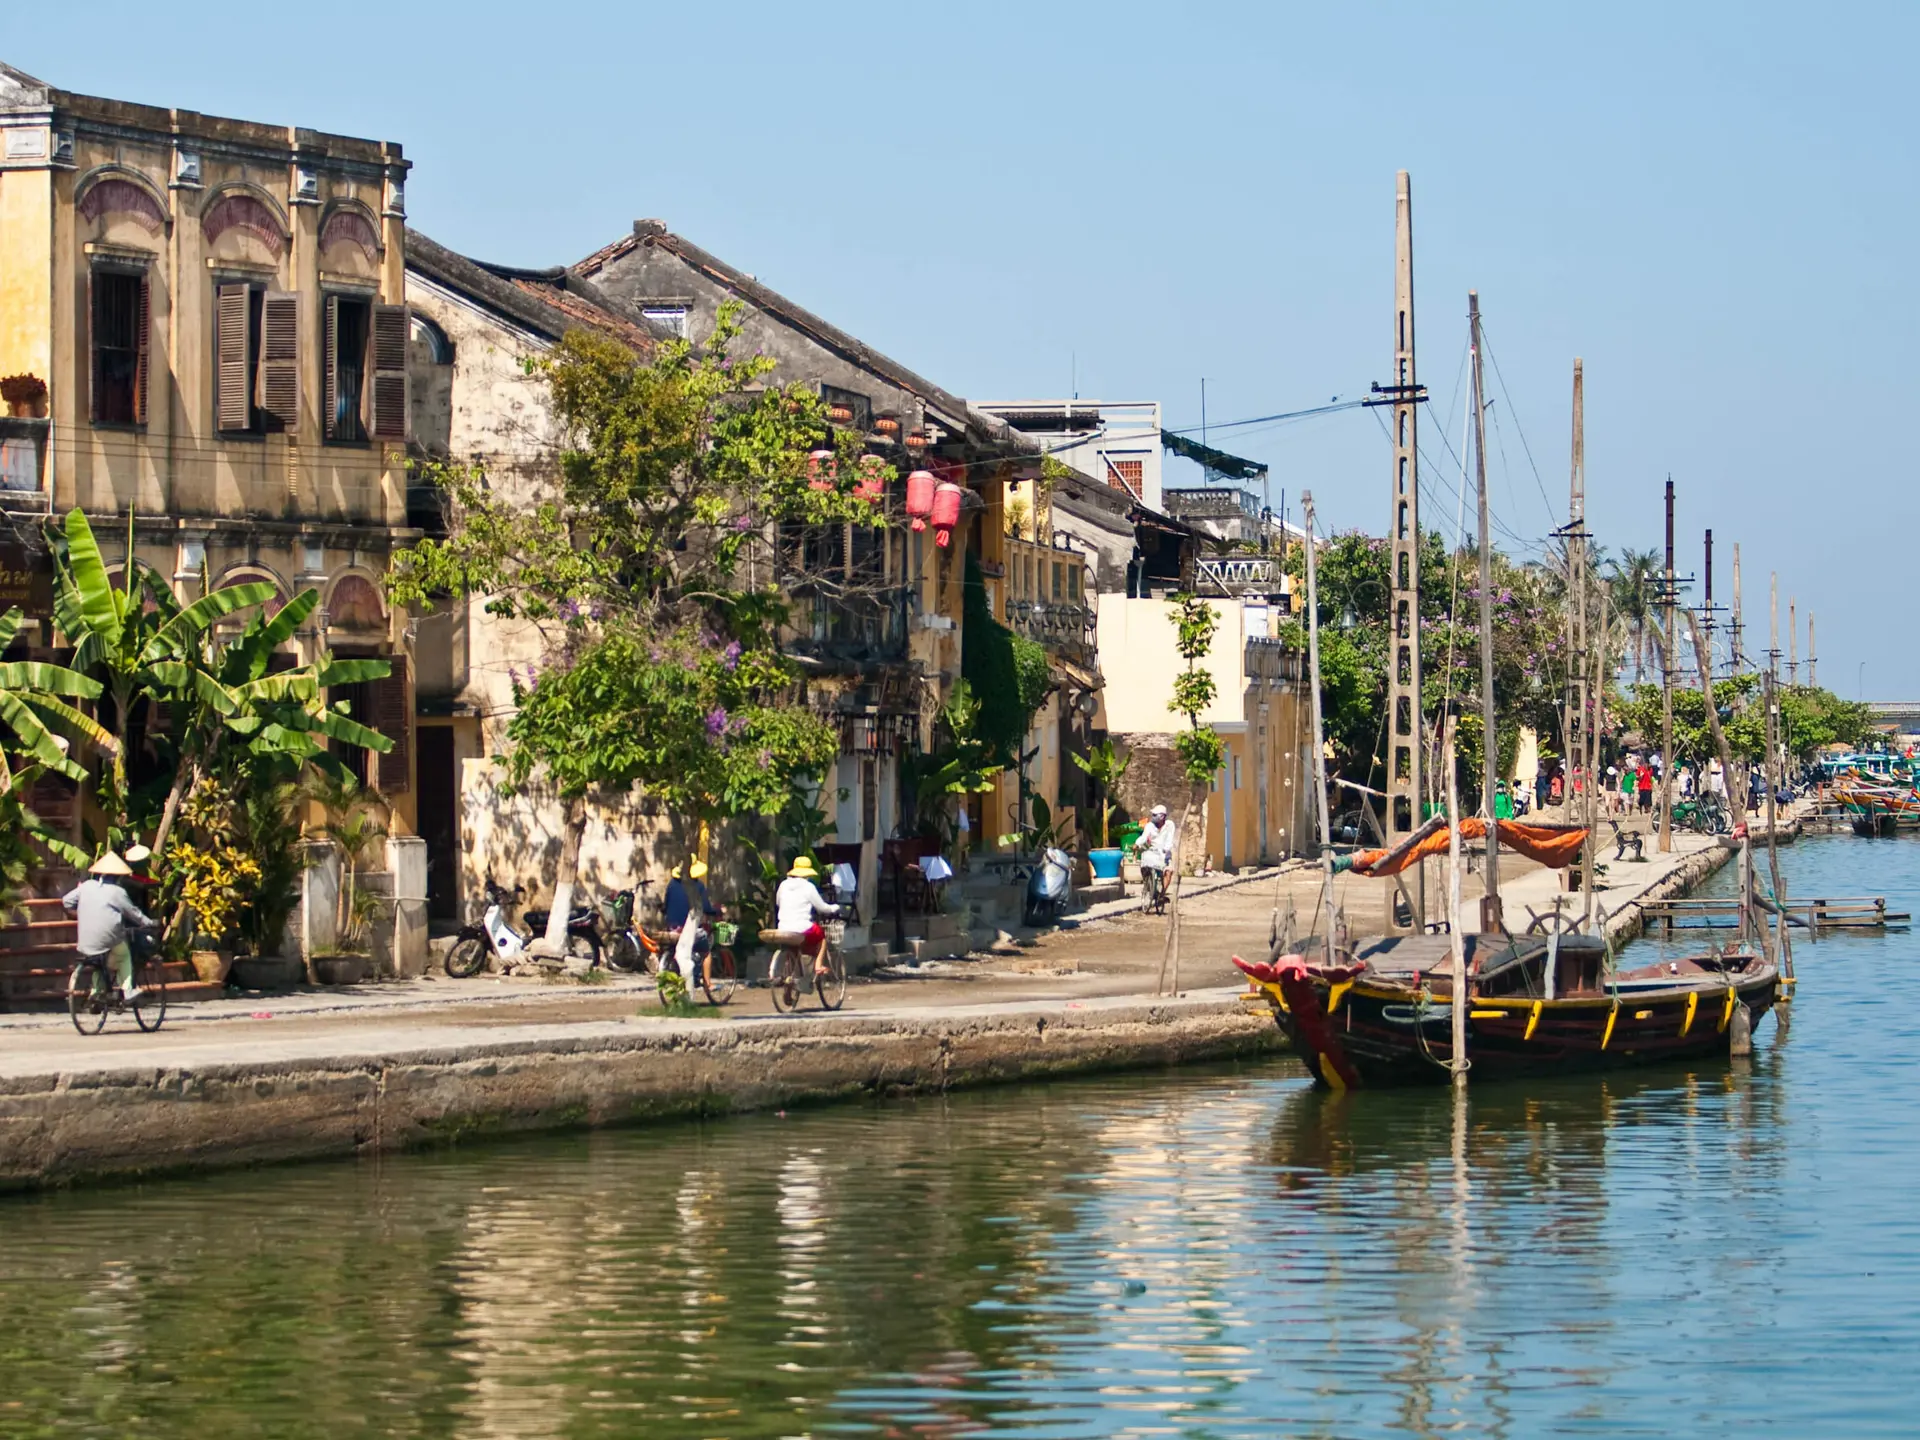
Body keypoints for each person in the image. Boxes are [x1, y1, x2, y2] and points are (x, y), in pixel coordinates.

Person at [62, 852, 153, 1003]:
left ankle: (96, 992)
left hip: (85, 941)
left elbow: (66, 901)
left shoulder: (86, 886)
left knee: (100, 961)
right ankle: (127, 990)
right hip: (109, 939)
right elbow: (134, 914)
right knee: (124, 955)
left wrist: (77, 914)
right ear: (117, 876)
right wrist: (149, 923)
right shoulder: (118, 892)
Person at [774, 855, 839, 977]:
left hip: (783, 927)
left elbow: (778, 902)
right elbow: (822, 907)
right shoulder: (808, 887)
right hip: (801, 929)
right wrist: (834, 908)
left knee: (793, 949)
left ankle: (788, 990)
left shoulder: (783, 885)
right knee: (821, 937)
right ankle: (818, 965)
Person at [665, 858, 720, 989]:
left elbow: (665, 905)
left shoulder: (671, 884)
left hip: (672, 928)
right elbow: (706, 908)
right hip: (688, 930)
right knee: (706, 952)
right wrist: (717, 911)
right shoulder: (698, 886)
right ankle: (708, 984)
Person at [1134, 804, 1176, 900]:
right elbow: (1144, 837)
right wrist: (1137, 844)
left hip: (1165, 853)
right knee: (1144, 867)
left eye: (1154, 815)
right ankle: (1149, 886)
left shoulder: (1170, 825)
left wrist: (1166, 849)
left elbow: (1170, 839)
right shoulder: (1149, 826)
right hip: (1152, 852)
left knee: (1168, 872)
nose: (1152, 817)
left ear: (1162, 816)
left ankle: (1162, 894)